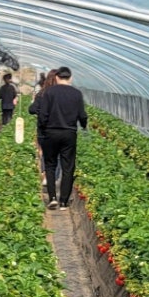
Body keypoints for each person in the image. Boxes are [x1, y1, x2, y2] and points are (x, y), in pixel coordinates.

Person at [38, 66, 88, 210]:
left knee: (50, 164)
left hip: (51, 132)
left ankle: (52, 198)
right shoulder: (76, 94)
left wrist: (43, 129)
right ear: (70, 78)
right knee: (68, 166)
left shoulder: (49, 92)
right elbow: (82, 115)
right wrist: (83, 125)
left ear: (57, 78)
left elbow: (43, 114)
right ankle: (64, 201)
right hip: (69, 133)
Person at [29, 68, 58, 187]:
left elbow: (31, 109)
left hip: (43, 130)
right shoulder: (62, 95)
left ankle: (46, 175)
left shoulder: (42, 94)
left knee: (46, 153)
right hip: (58, 129)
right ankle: (53, 177)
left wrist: (41, 111)